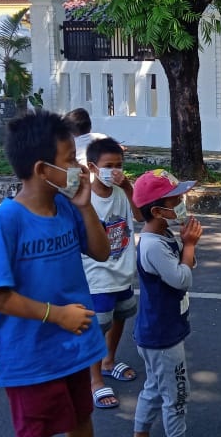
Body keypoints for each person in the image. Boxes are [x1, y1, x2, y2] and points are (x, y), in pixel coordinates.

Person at [0, 110, 111, 437]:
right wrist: (57, 315)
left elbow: (102, 252)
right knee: (38, 429)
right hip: (31, 359)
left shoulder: (67, 208)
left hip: (74, 348)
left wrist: (85, 206)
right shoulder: (4, 223)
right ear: (43, 170)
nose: (78, 168)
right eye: (70, 160)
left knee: (80, 418)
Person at [131, 169, 201, 437]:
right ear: (158, 211)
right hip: (162, 337)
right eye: (176, 201)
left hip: (160, 331)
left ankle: (141, 433)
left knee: (155, 387)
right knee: (177, 396)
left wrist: (187, 245)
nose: (182, 204)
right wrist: (191, 244)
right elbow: (182, 278)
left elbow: (187, 263)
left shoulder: (162, 235)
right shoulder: (152, 245)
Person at [82, 137, 144, 409]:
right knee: (98, 326)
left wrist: (129, 186)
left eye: (119, 165)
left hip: (122, 271)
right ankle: (94, 379)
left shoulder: (121, 192)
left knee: (120, 317)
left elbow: (140, 217)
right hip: (97, 277)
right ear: (93, 167)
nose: (115, 171)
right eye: (109, 166)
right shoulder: (87, 199)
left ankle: (109, 359)